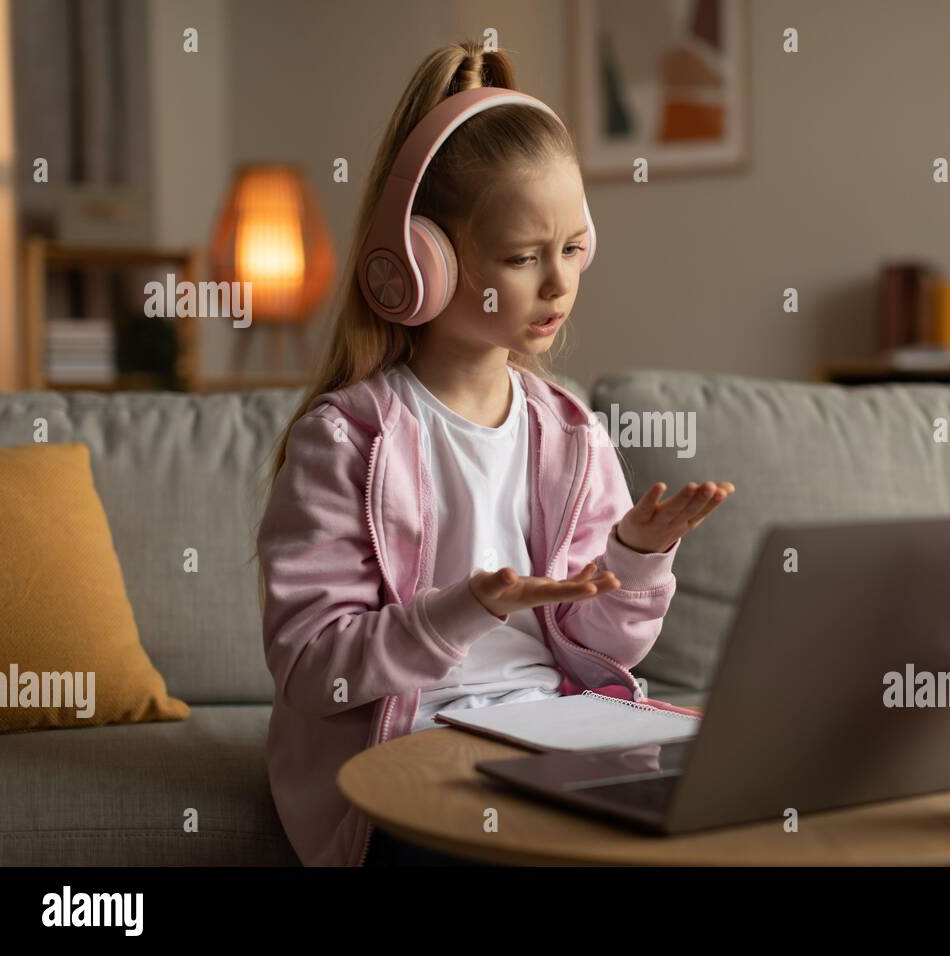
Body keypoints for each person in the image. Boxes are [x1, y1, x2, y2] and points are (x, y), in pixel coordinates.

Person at [253, 38, 734, 867]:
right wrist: (468, 606)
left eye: (574, 248)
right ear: (421, 262)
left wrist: (638, 558)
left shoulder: (571, 434)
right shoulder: (347, 438)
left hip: (550, 732)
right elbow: (309, 666)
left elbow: (600, 647)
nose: (558, 284)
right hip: (406, 749)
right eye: (520, 258)